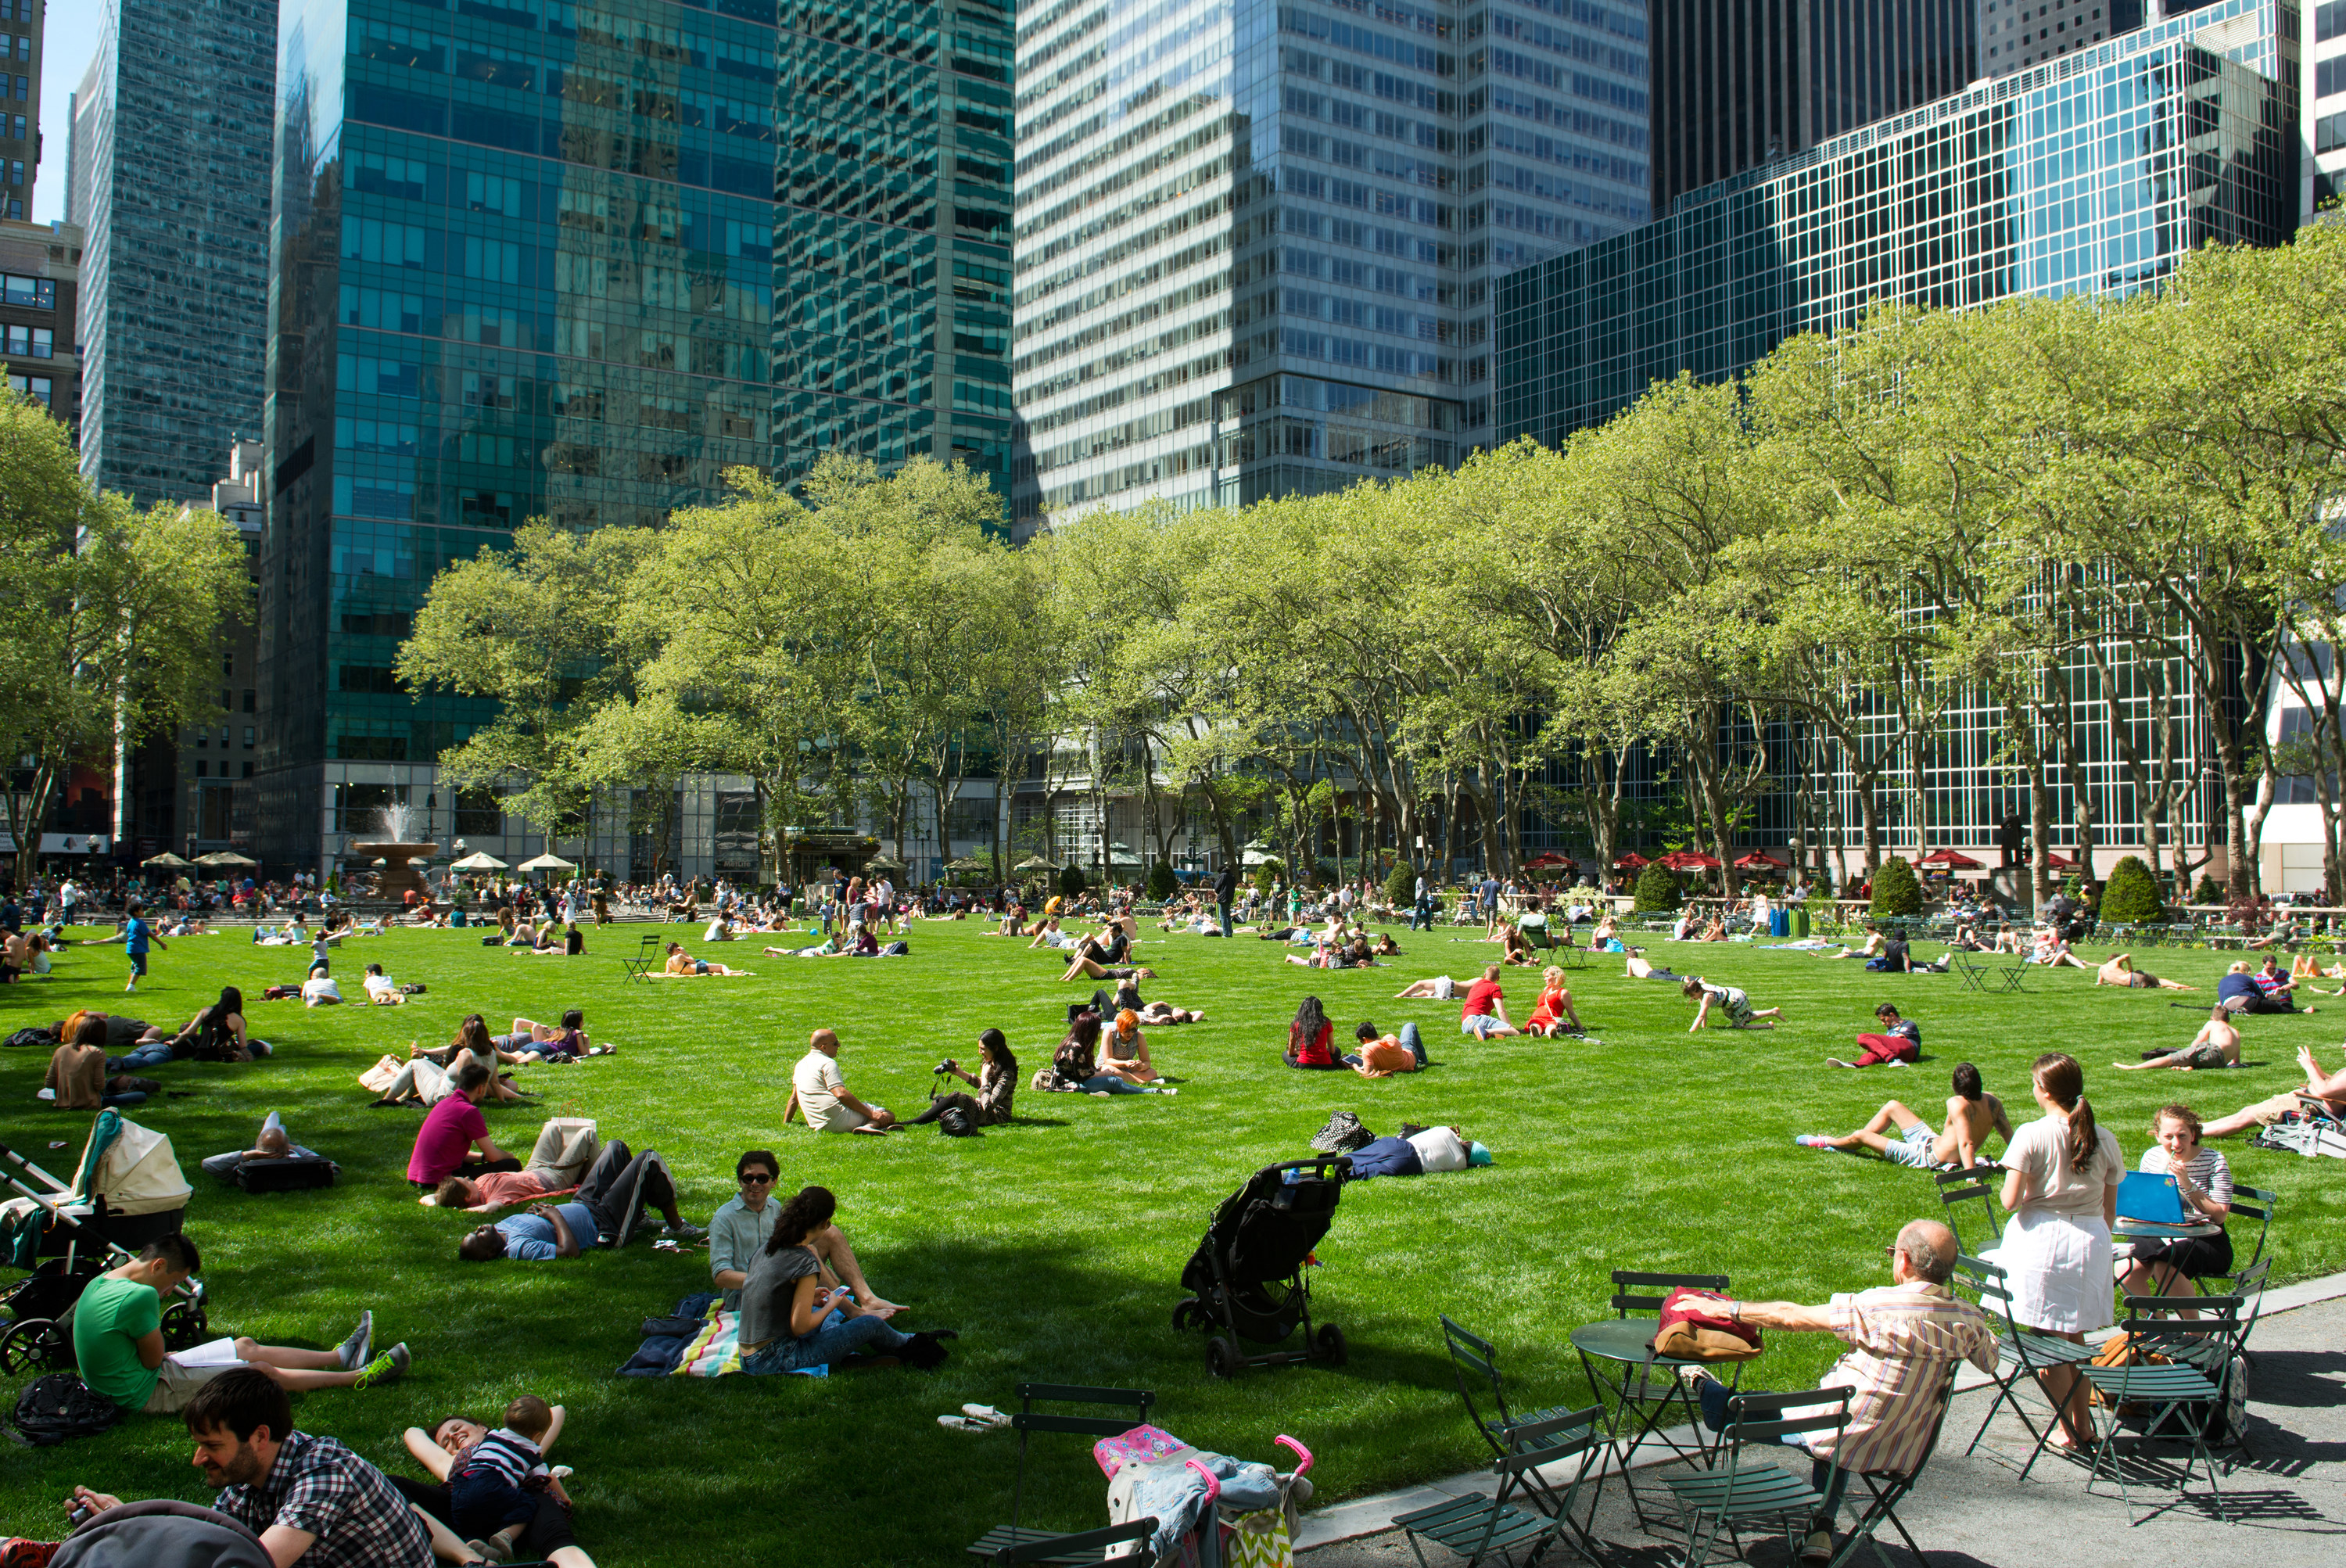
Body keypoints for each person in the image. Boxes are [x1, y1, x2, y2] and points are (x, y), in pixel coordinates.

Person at [1673, 1222, 1997, 1566]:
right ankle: (1822, 1527)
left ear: (1903, 1261)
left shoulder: (1877, 1307)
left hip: (1841, 1431)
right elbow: (1991, 1362)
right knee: (1846, 1409)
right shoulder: (1970, 1321)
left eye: (1892, 1253)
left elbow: (1791, 1317)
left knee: (1728, 1411)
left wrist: (1727, 1309)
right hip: (1899, 1448)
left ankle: (1701, 1382)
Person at [70, 1369, 436, 1568]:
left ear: (260, 1437)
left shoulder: (326, 1472)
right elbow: (202, 1544)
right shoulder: (248, 1480)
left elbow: (255, 1563)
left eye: (212, 1446)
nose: (198, 1459)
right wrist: (129, 1524)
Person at [70, 1236, 407, 1415]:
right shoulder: (141, 1296)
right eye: (174, 1281)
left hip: (124, 1378)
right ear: (158, 1265)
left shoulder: (105, 1279)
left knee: (245, 1346)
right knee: (259, 1371)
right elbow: (152, 1360)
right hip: (140, 1392)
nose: (171, 1290)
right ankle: (358, 1377)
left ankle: (341, 1356)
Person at [1985, 1052, 2123, 1449]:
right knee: (2074, 1336)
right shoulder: (2105, 1137)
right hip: (2091, 1239)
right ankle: (2083, 1425)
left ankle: (2070, 1428)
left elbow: (2010, 1201)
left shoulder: (2032, 1133)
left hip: (2043, 1240)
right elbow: (2109, 1210)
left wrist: (2034, 1188)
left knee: (2046, 1338)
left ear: (2044, 1091)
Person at [738, 1187, 949, 1374]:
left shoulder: (768, 1248)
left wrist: (813, 1299)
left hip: (749, 1356)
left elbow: (772, 1296)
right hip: (776, 1359)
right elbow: (799, 1327)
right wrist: (830, 1306)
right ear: (824, 1223)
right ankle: (913, 1343)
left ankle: (852, 1357)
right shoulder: (804, 1262)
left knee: (827, 1311)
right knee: (869, 1323)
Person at [397, 1417, 597, 1568]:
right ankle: (470, 1557)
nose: (453, 1436)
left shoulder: (521, 1444)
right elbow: (412, 1432)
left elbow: (556, 1411)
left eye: (457, 1428)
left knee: (557, 1539)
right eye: (446, 1442)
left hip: (525, 1499)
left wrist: (513, 1433)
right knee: (392, 1485)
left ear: (482, 1427)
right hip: (464, 1499)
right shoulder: (449, 1463)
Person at [457, 1139, 703, 1261]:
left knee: (615, 1148)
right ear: (490, 1252)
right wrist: (553, 1215)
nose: (479, 1228)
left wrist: (537, 1211)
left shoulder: (501, 1230)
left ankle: (636, 1218)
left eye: (474, 1230)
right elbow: (569, 1252)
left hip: (583, 1204)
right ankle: (677, 1226)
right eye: (478, 1236)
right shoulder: (518, 1247)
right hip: (603, 1226)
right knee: (648, 1160)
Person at [2117, 1103, 2233, 1307]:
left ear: (2193, 1135)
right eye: (2169, 1137)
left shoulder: (2214, 1160)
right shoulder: (2152, 1157)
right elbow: (2147, 1202)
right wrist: (2133, 1211)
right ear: (2157, 1136)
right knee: (2124, 1268)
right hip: (2160, 1231)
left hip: (2205, 1238)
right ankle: (2158, 1325)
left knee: (2166, 1264)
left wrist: (2187, 1184)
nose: (2176, 1143)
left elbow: (2220, 1216)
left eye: (2182, 1136)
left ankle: (2193, 1331)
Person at [1798, 1062, 2014, 1168]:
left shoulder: (1957, 1103)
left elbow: (1967, 1143)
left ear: (1956, 1086)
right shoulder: (1992, 1101)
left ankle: (1829, 1142)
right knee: (1893, 1106)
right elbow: (2010, 1138)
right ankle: (1861, 1141)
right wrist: (2018, 1160)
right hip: (1931, 1142)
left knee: (1861, 1136)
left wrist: (1971, 1175)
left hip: (1928, 1158)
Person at [407, 1063, 521, 1189]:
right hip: (439, 1181)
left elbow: (456, 1154)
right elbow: (494, 1156)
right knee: (512, 1165)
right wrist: (507, 1156)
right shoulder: (468, 1111)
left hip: (416, 1177)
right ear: (480, 1088)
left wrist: (483, 1158)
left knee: (470, 1166)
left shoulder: (444, 1104)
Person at [2200, 1040, 2346, 1137]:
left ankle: (2194, 1133)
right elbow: (2334, 1084)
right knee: (2247, 1112)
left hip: (2309, 1105)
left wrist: (2308, 1066)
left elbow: (2324, 1090)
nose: (2343, 1046)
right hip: (2307, 1102)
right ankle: (2197, 1128)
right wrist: (2316, 1068)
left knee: (2247, 1116)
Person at [784, 1028, 899, 1132]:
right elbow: (841, 1094)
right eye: (835, 1043)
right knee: (887, 1115)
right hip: (839, 1120)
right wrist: (872, 1114)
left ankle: (868, 1126)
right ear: (823, 1047)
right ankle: (868, 1127)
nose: (839, 1045)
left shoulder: (800, 1065)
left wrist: (786, 1123)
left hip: (818, 1124)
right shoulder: (828, 1063)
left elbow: (794, 1098)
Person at [911, 1029, 1021, 1128]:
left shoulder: (1007, 1073)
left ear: (995, 1048)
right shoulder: (992, 1062)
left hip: (996, 1115)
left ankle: (911, 1122)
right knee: (939, 1102)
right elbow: (982, 1085)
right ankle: (954, 1119)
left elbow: (987, 1106)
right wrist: (959, 1072)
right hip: (983, 1108)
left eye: (982, 1049)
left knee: (955, 1097)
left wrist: (985, 1078)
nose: (979, 1052)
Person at [42, 1014, 152, 1109]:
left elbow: (49, 1082)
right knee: (140, 1096)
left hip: (62, 1101)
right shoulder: (96, 1052)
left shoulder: (61, 1049)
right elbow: (99, 1085)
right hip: (89, 1102)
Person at [2116, 1006, 2242, 1072]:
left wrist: (2201, 1036)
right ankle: (2188, 1067)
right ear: (2228, 1020)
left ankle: (2134, 1068)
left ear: (2212, 1018)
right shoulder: (2236, 1032)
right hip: (2221, 1063)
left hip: (2213, 1051)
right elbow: (2236, 1061)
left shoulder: (2212, 1024)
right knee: (2194, 1059)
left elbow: (2194, 1045)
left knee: (2170, 1058)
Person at [1826, 1003, 1921, 1069]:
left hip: (1909, 1049)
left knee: (1863, 1037)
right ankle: (1854, 1065)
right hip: (1899, 1054)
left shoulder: (1908, 1024)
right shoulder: (1890, 1030)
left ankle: (1892, 1060)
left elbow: (1898, 1039)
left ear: (1892, 1015)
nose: (1883, 1024)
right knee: (1872, 1055)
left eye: (1884, 1020)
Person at [1683, 975, 1782, 1031]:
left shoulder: (1707, 996)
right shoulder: (1702, 989)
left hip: (1736, 1000)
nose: (1692, 998)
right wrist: (1704, 1027)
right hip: (1734, 994)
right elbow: (1704, 1013)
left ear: (1697, 990)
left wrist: (1692, 1031)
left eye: (1692, 995)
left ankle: (1768, 1026)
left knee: (1738, 1026)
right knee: (1746, 1016)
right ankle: (1773, 1012)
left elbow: (1701, 1015)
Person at [1095, 1009, 1162, 1085]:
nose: (1130, 1033)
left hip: (1126, 1070)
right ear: (1119, 1027)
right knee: (1108, 1070)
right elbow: (1108, 1060)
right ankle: (1141, 1082)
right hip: (1106, 1068)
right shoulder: (1110, 1032)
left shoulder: (1139, 1036)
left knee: (1152, 1072)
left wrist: (1141, 1066)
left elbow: (1147, 1061)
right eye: (1126, 1030)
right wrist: (1125, 1063)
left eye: (1133, 1030)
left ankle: (1125, 1078)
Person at [1345, 1020, 1426, 1078]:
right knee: (1410, 1025)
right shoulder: (1391, 1038)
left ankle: (1422, 1060)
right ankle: (1423, 1060)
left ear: (1365, 1039)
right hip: (1411, 1059)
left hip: (1405, 1059)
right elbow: (1384, 1050)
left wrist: (1356, 1067)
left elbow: (1367, 1073)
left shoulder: (1368, 1049)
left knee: (1410, 1027)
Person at [1459, 964, 1519, 1039]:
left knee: (1502, 1031)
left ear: (1485, 975)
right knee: (1515, 1032)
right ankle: (1485, 1031)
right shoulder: (1495, 987)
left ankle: (1487, 1033)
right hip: (1477, 1019)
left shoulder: (1477, 984)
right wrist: (1508, 1026)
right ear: (1498, 978)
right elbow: (1501, 1010)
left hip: (1465, 1024)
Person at [1523, 966, 1583, 1036]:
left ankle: (1552, 1033)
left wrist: (1580, 1027)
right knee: (1535, 1026)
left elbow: (1571, 1012)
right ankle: (1535, 1032)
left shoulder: (1563, 993)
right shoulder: (1547, 989)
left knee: (1551, 1027)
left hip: (1552, 1019)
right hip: (1537, 1017)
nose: (1545, 979)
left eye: (1547, 976)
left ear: (1556, 977)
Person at [1285, 996, 1341, 1070]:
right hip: (1326, 1064)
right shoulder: (1326, 1023)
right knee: (1337, 1051)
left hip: (1303, 1064)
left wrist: (1297, 1051)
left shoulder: (1297, 1024)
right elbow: (1332, 1051)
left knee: (1285, 1054)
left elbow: (1290, 1053)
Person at [122, 900, 165, 993]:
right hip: (138, 948)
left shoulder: (131, 922)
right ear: (136, 912)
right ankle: (131, 986)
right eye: (141, 910)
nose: (143, 912)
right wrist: (162, 944)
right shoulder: (140, 923)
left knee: (134, 967)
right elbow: (150, 934)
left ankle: (130, 985)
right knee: (140, 968)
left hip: (130, 948)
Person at [2096, 953, 2195, 992]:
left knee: (2154, 986)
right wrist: (2130, 968)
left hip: (2132, 984)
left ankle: (2171, 987)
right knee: (2158, 980)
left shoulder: (2101, 969)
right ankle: (2176, 985)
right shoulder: (2115, 961)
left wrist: (2113, 983)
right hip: (2133, 977)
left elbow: (2099, 983)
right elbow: (2126, 956)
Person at [1212, 862, 1237, 937]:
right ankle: (1229, 933)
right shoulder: (1231, 875)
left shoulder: (1222, 876)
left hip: (1222, 897)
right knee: (1228, 916)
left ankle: (1226, 933)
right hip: (1229, 897)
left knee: (1222, 916)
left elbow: (1217, 888)